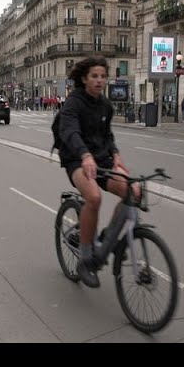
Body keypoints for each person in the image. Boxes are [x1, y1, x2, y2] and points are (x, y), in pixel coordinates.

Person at [58, 56, 140, 288]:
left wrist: (116, 156)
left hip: (101, 160)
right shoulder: (74, 103)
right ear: (84, 79)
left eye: (103, 76)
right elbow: (70, 132)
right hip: (76, 159)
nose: (99, 80)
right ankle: (85, 259)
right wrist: (84, 156)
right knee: (94, 197)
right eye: (94, 76)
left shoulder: (105, 105)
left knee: (133, 191)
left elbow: (107, 136)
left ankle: (107, 239)